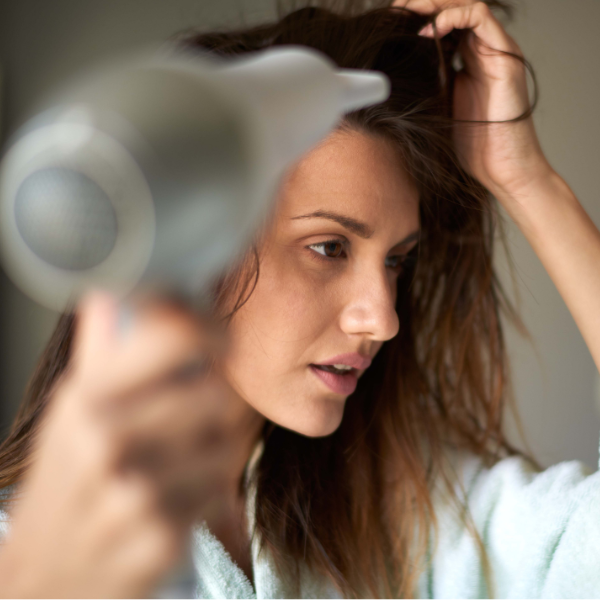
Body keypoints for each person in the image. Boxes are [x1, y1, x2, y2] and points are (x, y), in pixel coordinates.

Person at [0, 0, 599, 597]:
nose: (383, 318)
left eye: (397, 261)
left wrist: (527, 180)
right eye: (329, 247)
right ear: (198, 242)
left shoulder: (399, 525)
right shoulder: (22, 554)